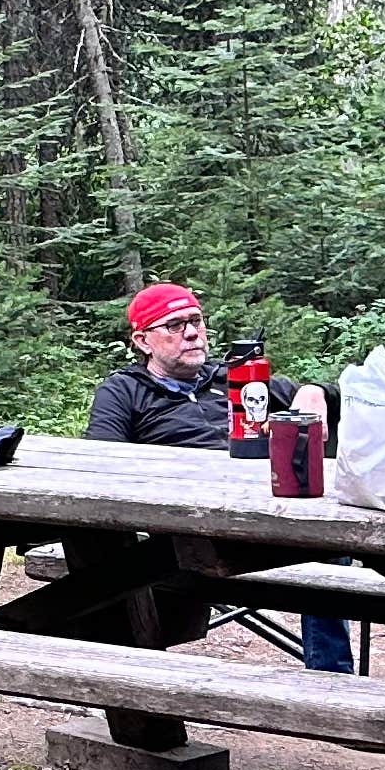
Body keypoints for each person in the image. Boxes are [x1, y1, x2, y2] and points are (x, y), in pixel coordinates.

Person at [90, 280, 350, 670]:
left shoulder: (240, 378)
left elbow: (328, 398)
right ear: (143, 341)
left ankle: (333, 685)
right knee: (328, 555)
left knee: (331, 546)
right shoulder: (124, 391)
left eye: (195, 320)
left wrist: (316, 391)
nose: (192, 333)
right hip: (186, 534)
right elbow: (101, 461)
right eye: (174, 326)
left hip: (273, 516)